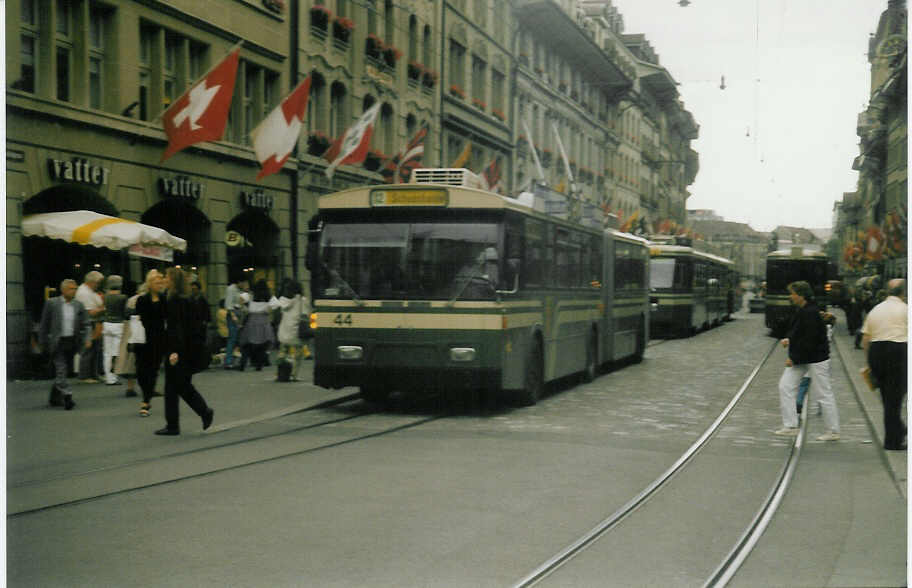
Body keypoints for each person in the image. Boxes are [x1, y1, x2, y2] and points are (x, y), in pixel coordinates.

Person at [775, 281, 840, 441]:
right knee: (785, 386)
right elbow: (803, 334)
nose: (791, 296)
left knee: (823, 392)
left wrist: (793, 358)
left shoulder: (809, 312)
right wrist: (790, 340)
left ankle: (833, 431)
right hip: (806, 357)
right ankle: (790, 425)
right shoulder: (805, 310)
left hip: (815, 358)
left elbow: (809, 340)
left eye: (792, 293)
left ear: (801, 295)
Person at [155, 267, 214, 435]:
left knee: (178, 386)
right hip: (187, 349)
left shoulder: (175, 300)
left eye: (166, 277)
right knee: (177, 386)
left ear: (173, 280)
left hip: (179, 350)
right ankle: (175, 423)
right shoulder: (185, 298)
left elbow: (176, 328)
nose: (164, 279)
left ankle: (199, 413)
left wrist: (174, 351)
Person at [862, 278, 907, 450]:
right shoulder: (905, 309)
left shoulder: (876, 310)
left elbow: (866, 338)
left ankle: (899, 431)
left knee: (888, 398)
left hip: (877, 352)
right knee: (894, 400)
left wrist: (869, 362)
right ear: (903, 292)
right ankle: (893, 440)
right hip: (899, 352)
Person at [39, 279, 91, 410]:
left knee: (63, 370)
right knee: (61, 369)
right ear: (63, 290)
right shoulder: (52, 303)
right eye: (71, 289)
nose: (74, 291)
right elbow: (44, 325)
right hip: (57, 342)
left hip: (72, 342)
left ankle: (54, 397)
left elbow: (86, 323)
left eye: (75, 289)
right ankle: (68, 395)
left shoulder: (78, 305)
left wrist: (87, 338)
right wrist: (42, 341)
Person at [135, 269, 167, 417]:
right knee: (141, 371)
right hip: (142, 340)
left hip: (159, 339)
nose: (159, 284)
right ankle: (146, 392)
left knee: (153, 370)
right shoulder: (142, 299)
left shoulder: (164, 299)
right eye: (156, 282)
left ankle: (145, 402)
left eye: (161, 282)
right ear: (150, 283)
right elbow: (139, 319)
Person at [238, 279, 276, 371]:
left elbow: (240, 300)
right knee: (262, 345)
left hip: (252, 320)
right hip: (264, 321)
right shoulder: (270, 297)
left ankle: (242, 363)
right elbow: (275, 307)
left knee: (247, 344)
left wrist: (246, 308)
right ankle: (259, 365)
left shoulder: (250, 295)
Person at [115, 282, 145, 398]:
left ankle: (130, 387)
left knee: (131, 360)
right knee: (149, 361)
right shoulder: (148, 299)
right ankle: (149, 387)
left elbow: (126, 315)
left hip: (131, 334)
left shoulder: (131, 300)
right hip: (143, 333)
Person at [274, 279, 307, 381]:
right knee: (298, 353)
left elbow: (279, 313)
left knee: (282, 351)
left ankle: (279, 374)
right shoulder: (302, 300)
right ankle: (293, 374)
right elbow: (305, 315)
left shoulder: (282, 300)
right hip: (296, 330)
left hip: (284, 330)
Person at [75, 270, 105, 383]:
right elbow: (89, 312)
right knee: (88, 349)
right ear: (92, 282)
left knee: (96, 349)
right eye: (98, 283)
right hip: (89, 324)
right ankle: (85, 376)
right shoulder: (84, 293)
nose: (98, 285)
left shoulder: (90, 291)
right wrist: (103, 309)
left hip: (95, 323)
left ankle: (94, 374)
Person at [100, 275, 128, 385]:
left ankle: (108, 377)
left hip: (107, 324)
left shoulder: (105, 296)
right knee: (116, 352)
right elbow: (124, 312)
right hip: (118, 324)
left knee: (107, 352)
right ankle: (114, 377)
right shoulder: (123, 297)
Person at [223, 277, 249, 369]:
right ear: (239, 282)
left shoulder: (241, 290)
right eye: (244, 283)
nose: (245, 285)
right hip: (233, 313)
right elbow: (228, 304)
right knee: (232, 338)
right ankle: (228, 362)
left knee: (239, 338)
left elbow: (244, 303)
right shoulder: (231, 289)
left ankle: (236, 360)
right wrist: (233, 316)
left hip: (241, 313)